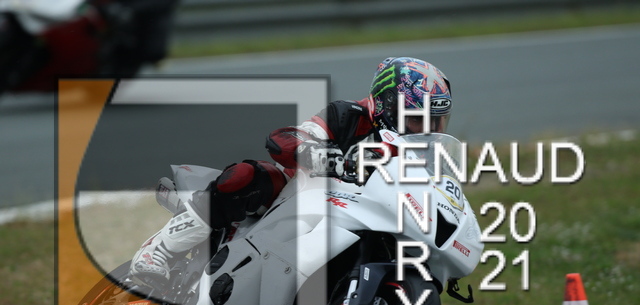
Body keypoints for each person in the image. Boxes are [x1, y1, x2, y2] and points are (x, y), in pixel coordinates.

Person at [129, 57, 453, 288]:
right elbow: (286, 137)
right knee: (247, 176)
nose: (427, 129)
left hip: (360, 218)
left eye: (437, 121)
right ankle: (159, 251)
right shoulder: (347, 116)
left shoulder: (422, 154)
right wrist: (318, 153)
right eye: (418, 119)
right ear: (386, 105)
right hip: (300, 200)